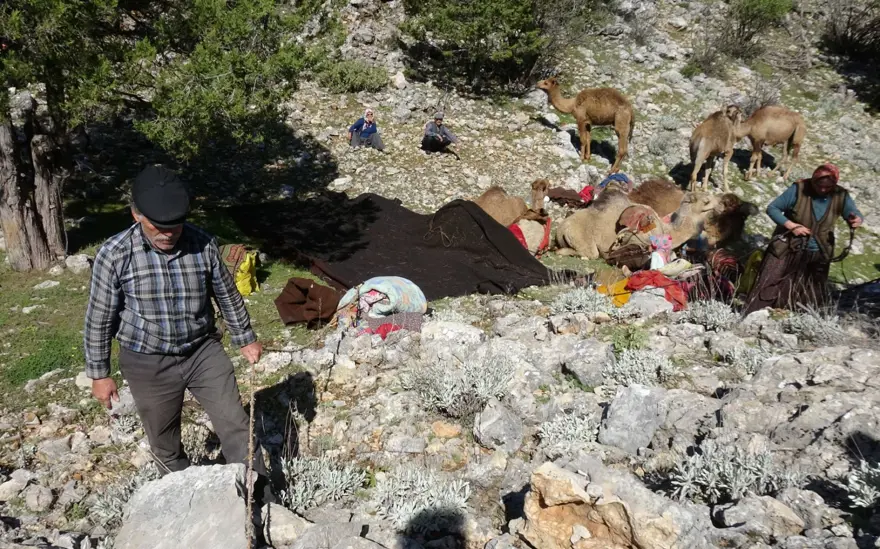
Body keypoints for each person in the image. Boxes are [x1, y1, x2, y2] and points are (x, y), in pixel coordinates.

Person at [83, 164, 274, 502]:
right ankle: (187, 505)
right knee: (164, 441)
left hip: (202, 351)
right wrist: (99, 373)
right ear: (136, 215)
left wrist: (245, 336)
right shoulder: (115, 254)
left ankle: (259, 499)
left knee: (235, 424)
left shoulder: (202, 243)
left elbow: (226, 294)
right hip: (147, 362)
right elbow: (99, 317)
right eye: (158, 227)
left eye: (175, 226)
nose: (168, 234)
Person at [743, 162, 863, 315]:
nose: (823, 190)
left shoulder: (841, 195)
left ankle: (792, 320)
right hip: (787, 247)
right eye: (819, 185)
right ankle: (753, 316)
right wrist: (791, 225)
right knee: (770, 282)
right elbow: (773, 208)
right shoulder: (798, 189)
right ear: (813, 180)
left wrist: (856, 219)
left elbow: (853, 212)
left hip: (818, 251)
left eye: (828, 187)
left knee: (809, 293)